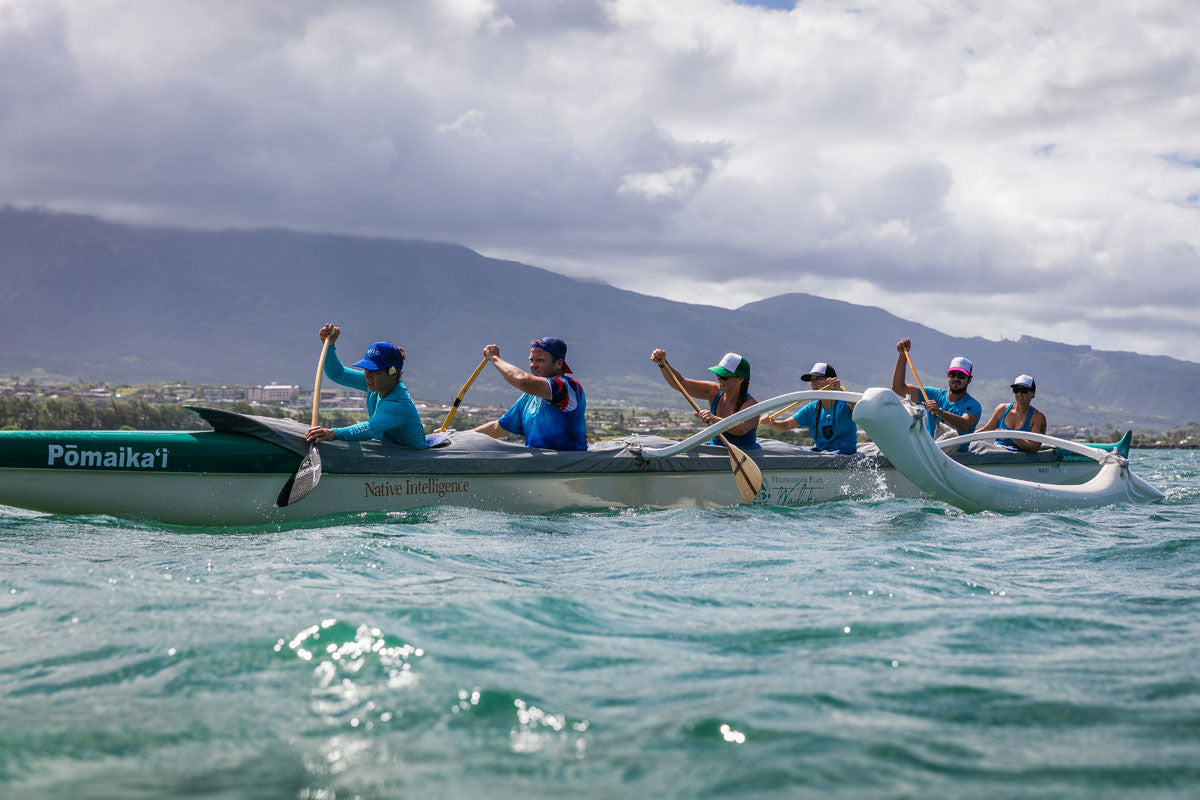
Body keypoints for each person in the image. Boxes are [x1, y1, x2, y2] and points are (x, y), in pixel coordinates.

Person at [305, 324, 428, 448]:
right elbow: (338, 374)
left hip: (415, 457)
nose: (368, 376)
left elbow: (370, 428)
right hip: (391, 450)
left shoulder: (398, 403)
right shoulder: (377, 383)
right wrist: (329, 346)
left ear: (392, 373)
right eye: (366, 369)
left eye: (374, 371)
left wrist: (333, 433)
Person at [474, 337, 587, 451]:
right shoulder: (528, 398)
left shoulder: (566, 386)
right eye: (531, 360)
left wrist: (494, 358)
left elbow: (522, 381)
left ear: (558, 363)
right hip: (540, 466)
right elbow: (497, 428)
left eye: (540, 360)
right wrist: (461, 436)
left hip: (568, 465)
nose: (533, 365)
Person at [650, 350, 760, 449]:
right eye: (718, 374)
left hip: (744, 452)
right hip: (716, 449)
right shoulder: (714, 391)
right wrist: (663, 364)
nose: (718, 378)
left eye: (724, 376)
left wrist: (713, 418)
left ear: (740, 379)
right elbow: (681, 383)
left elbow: (741, 430)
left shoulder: (751, 404)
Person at [891, 338, 982, 452]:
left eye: (961, 376)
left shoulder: (973, 405)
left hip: (957, 457)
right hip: (932, 452)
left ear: (969, 380)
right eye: (952, 374)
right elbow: (898, 388)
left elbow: (965, 425)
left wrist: (940, 412)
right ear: (947, 375)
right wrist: (902, 355)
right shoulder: (932, 394)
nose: (956, 379)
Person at [763, 362, 857, 454]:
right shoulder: (811, 409)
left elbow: (856, 408)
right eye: (812, 380)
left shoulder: (846, 402)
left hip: (845, 454)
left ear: (831, 380)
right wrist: (771, 423)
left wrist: (840, 391)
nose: (814, 383)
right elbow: (785, 426)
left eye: (818, 379)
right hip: (823, 455)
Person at [979, 374, 1047, 453]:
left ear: (1032, 393)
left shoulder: (1038, 418)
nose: (1019, 394)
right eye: (1016, 390)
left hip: (1018, 457)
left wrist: (1010, 435)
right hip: (998, 452)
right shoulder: (1002, 409)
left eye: (1024, 391)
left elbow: (1034, 448)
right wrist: (964, 439)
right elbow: (986, 429)